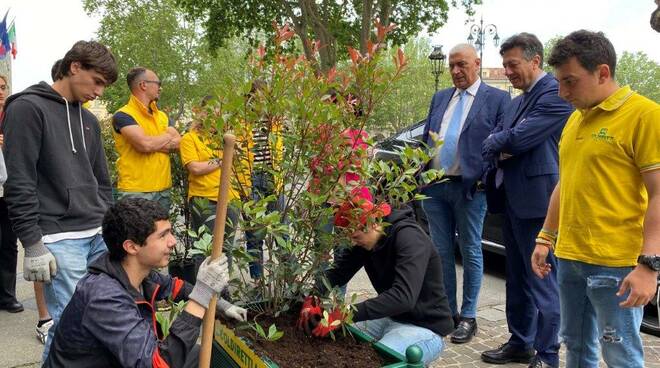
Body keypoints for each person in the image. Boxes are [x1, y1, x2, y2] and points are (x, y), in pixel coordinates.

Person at [532, 30, 660, 368]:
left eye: (570, 81)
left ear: (603, 72)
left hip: (615, 265)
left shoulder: (645, 116)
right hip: (570, 259)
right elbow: (565, 182)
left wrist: (650, 265)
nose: (562, 92)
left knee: (619, 354)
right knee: (574, 347)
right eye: (559, 82)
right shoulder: (575, 120)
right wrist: (546, 237)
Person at [2, 40, 118, 360]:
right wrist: (33, 244)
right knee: (71, 329)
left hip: (97, 235)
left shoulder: (89, 121)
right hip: (58, 238)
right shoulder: (27, 108)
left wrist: (110, 227)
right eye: (97, 81)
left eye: (104, 86)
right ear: (75, 67)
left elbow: (102, 183)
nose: (99, 92)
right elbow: (20, 182)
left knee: (100, 323)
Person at [44, 198, 247, 367]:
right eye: (163, 235)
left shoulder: (136, 273)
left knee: (197, 354)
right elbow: (157, 364)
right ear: (132, 247)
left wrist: (222, 306)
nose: (173, 241)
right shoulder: (105, 298)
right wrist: (202, 293)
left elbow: (178, 288)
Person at [481, 33, 573, 368]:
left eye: (513, 64)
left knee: (542, 281)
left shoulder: (555, 93)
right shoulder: (517, 101)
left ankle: (547, 354)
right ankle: (519, 343)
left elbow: (517, 139)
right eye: (504, 65)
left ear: (535, 61)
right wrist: (502, 141)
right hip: (509, 200)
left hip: (539, 203)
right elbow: (493, 138)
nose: (507, 71)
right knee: (516, 279)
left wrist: (502, 142)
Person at [420, 44, 510, 344]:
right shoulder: (440, 97)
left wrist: (484, 179)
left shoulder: (497, 98)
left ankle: (469, 316)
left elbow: (501, 143)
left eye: (461, 64)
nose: (456, 71)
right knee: (441, 252)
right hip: (435, 187)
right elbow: (426, 140)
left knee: (471, 250)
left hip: (470, 189)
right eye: (451, 66)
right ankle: (448, 313)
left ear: (477, 63)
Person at [311, 195, 454, 367]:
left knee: (376, 360)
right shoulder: (367, 241)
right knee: (340, 340)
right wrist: (312, 298)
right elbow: (338, 273)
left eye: (355, 236)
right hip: (388, 317)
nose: (352, 241)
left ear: (372, 223)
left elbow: (403, 297)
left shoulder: (410, 238)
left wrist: (345, 312)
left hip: (424, 327)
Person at [179, 96, 241, 280]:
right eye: (212, 113)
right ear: (202, 114)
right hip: (205, 201)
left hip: (231, 199)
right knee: (206, 250)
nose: (216, 118)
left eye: (220, 114)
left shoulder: (225, 140)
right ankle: (204, 296)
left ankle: (223, 292)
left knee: (226, 248)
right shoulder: (190, 138)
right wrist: (224, 159)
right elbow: (195, 168)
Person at [112, 67, 181, 212]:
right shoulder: (123, 115)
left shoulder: (162, 116)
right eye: (158, 83)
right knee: (136, 234)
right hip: (135, 191)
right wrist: (167, 136)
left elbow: (178, 143)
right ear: (143, 85)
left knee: (161, 234)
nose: (160, 88)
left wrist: (153, 142)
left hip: (163, 190)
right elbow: (144, 145)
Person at [0, 73, 24, 314]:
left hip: (8, 191)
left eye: (3, 87)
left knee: (9, 244)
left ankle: (7, 295)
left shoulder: (12, 116)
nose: (1, 91)